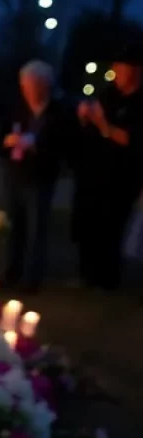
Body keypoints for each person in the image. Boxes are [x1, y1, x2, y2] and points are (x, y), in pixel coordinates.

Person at [73, 43, 143, 290]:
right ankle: (87, 273)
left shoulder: (139, 102)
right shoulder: (108, 95)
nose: (116, 72)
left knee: (113, 224)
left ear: (135, 71)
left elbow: (132, 140)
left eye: (121, 68)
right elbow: (92, 126)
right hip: (94, 171)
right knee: (90, 221)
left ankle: (108, 277)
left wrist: (104, 126)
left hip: (122, 175)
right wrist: (85, 118)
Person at [0, 61, 69, 292]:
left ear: (46, 85)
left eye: (35, 85)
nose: (30, 91)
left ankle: (32, 276)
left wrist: (36, 145)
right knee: (14, 226)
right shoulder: (15, 110)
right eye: (26, 86)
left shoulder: (57, 112)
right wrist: (7, 142)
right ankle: (12, 271)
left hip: (40, 177)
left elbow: (63, 146)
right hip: (15, 175)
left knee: (36, 228)